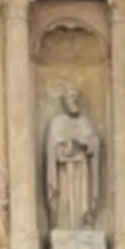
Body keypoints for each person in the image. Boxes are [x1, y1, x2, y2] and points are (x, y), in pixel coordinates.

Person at [42, 86, 101, 232]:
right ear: (64, 102)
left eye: (76, 98)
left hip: (81, 166)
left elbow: (94, 144)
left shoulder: (84, 123)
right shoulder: (57, 122)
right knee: (64, 200)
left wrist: (86, 144)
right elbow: (52, 148)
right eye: (71, 98)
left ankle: (83, 222)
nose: (74, 101)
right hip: (65, 169)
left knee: (82, 197)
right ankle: (62, 223)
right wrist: (64, 148)